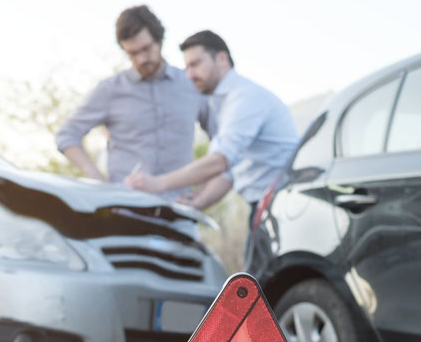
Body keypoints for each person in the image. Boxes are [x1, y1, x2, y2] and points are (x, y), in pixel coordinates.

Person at [124, 30, 300, 226]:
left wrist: (157, 183)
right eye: (187, 67)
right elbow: (229, 171)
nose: (189, 75)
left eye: (195, 64)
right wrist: (198, 200)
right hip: (268, 206)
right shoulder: (224, 103)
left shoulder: (244, 98)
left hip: (284, 207)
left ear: (222, 59)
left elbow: (219, 161)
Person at [55, 5, 204, 200]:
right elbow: (67, 135)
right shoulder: (110, 90)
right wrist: (102, 185)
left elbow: (223, 145)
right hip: (126, 210)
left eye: (146, 49)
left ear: (159, 41)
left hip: (179, 211)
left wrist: (202, 196)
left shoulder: (191, 84)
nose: (141, 59)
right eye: (132, 53)